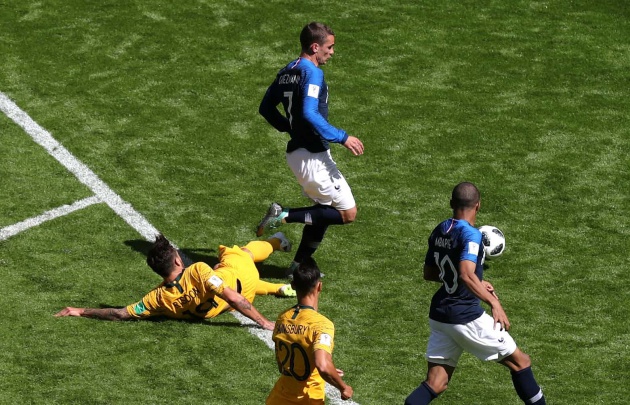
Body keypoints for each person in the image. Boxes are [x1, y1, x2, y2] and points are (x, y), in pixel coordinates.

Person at [405, 182, 546, 405]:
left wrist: (476, 281)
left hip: (440, 316)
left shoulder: (440, 229)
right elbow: (465, 274)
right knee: (521, 362)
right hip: (466, 317)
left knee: (436, 382)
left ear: (451, 203)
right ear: (478, 205)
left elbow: (430, 273)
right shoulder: (471, 235)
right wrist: (493, 303)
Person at [257, 21, 364, 277]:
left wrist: (288, 127)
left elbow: (265, 108)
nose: (332, 52)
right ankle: (284, 215)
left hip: (299, 154)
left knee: (322, 212)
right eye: (330, 47)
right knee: (347, 213)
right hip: (313, 156)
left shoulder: (287, 71)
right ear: (315, 47)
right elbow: (309, 112)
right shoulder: (312, 72)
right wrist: (342, 137)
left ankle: (297, 266)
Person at [55, 232, 296, 331]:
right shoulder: (199, 271)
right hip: (240, 279)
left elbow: (120, 314)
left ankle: (277, 288)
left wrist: (81, 310)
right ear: (178, 259)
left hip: (232, 301)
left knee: (228, 273)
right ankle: (276, 241)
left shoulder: (157, 299)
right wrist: (264, 322)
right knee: (243, 253)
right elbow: (234, 297)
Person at [266, 257, 353, 404]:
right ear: (319, 286)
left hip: (278, 398)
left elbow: (290, 357)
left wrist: (328, 368)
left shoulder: (282, 318)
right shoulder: (321, 324)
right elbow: (322, 366)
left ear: (293, 286)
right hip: (306, 399)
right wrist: (343, 387)